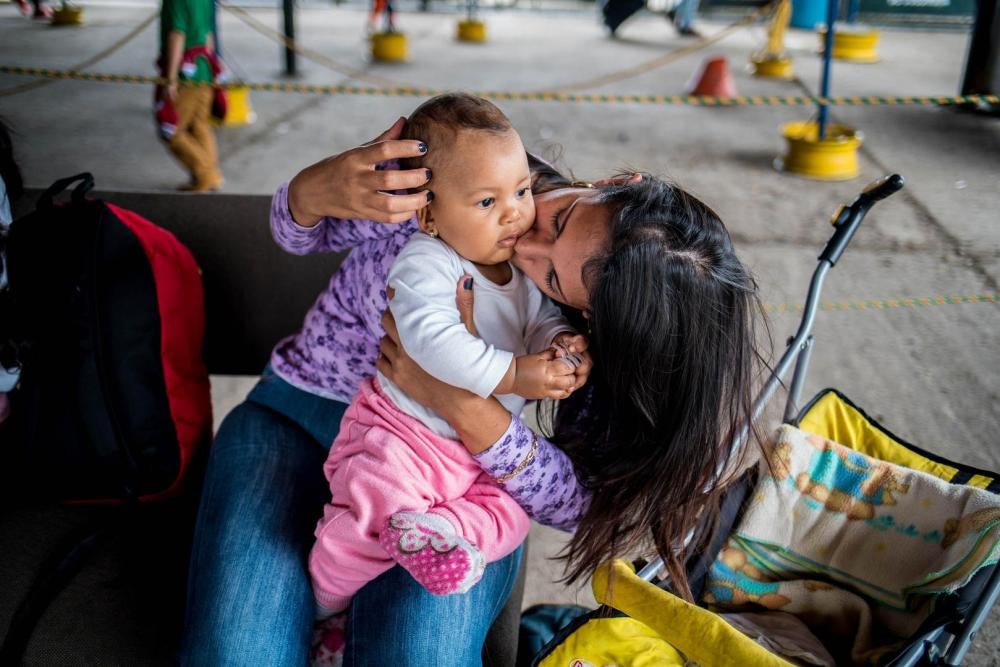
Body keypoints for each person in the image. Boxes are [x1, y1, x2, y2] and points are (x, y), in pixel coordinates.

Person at [182, 110, 763, 666]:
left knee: (414, 655)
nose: (522, 242)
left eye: (552, 278)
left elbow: (580, 502)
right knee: (237, 652)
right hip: (298, 411)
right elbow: (297, 236)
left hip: (447, 484)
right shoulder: (470, 168)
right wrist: (311, 192)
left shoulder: (588, 337)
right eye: (559, 219)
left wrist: (460, 404)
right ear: (611, 185)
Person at [307, 94, 590, 618]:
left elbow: (538, 320)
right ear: (429, 215)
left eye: (521, 190)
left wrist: (559, 342)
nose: (514, 213)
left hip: (471, 455)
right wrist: (515, 374)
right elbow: (430, 341)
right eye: (486, 202)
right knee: (370, 513)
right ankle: (328, 606)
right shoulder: (428, 261)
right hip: (403, 434)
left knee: (511, 516)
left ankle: (441, 533)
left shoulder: (518, 271)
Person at [158, 0, 223, 192]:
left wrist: (171, 79)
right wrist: (213, 70)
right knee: (199, 126)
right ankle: (207, 179)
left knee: (172, 130)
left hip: (185, 75)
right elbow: (209, 35)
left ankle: (206, 175)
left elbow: (177, 35)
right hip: (204, 70)